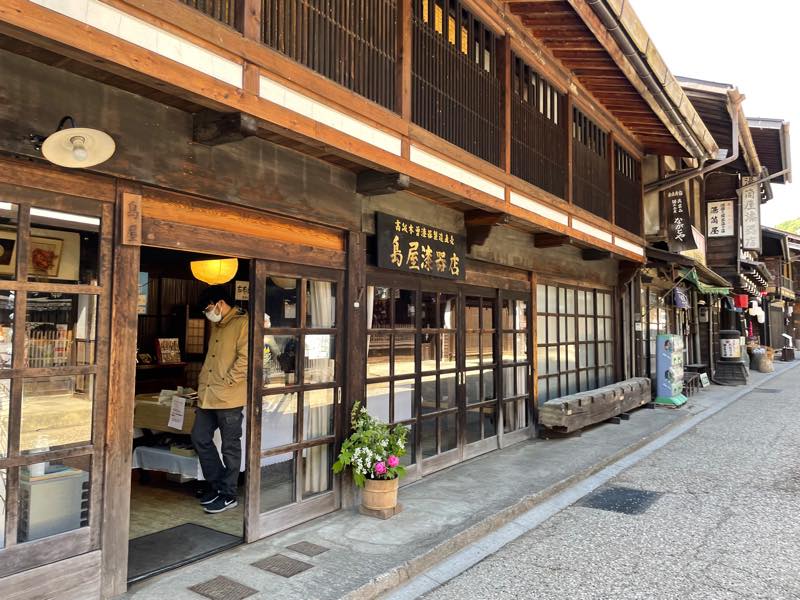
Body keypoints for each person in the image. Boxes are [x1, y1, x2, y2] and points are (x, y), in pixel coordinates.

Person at [192, 285, 248, 514]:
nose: (208, 314)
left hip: (229, 397)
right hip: (207, 395)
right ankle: (218, 485)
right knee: (199, 437)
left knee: (230, 446)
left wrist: (228, 382)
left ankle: (228, 494)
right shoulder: (217, 325)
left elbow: (246, 359)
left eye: (208, 309)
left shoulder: (243, 323)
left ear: (220, 304)